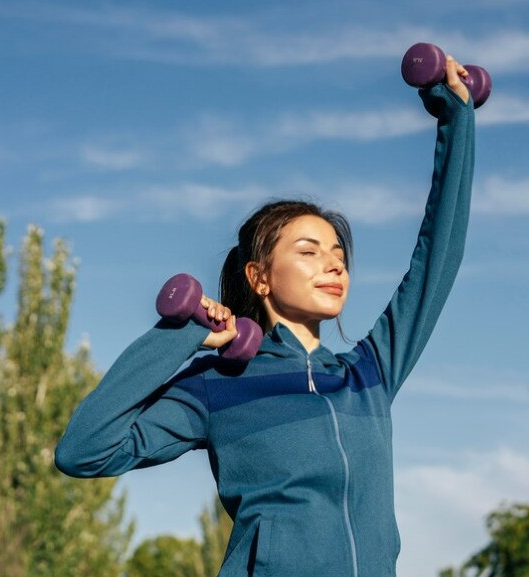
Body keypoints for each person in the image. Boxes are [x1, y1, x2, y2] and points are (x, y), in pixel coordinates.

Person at [55, 56, 476, 577]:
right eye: (308, 250)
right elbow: (83, 451)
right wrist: (180, 336)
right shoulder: (219, 384)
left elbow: (437, 260)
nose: (333, 262)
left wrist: (456, 124)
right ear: (259, 277)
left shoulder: (369, 374)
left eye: (338, 253)